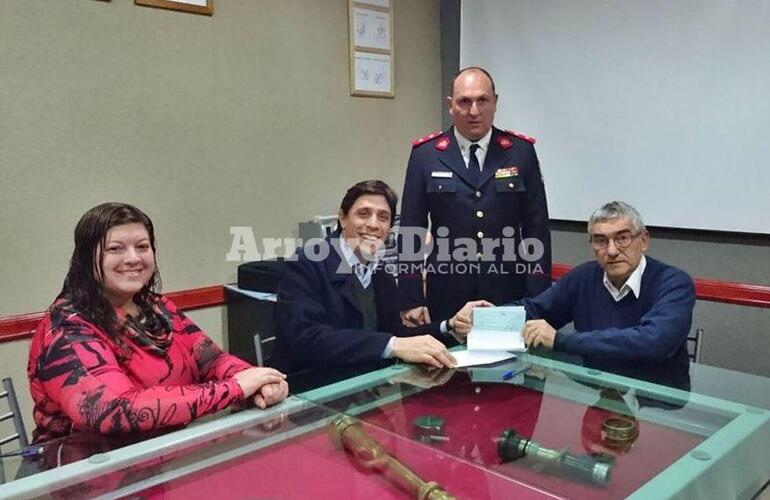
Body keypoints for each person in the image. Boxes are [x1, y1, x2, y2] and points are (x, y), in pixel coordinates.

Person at [28, 203, 288, 443]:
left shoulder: (158, 307)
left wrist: (261, 383)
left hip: (169, 451)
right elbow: (113, 410)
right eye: (115, 249)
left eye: (142, 247)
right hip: (88, 466)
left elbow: (213, 360)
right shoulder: (66, 327)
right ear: (86, 259)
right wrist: (236, 388)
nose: (133, 258)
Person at [271, 180, 490, 380]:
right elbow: (307, 339)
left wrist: (449, 326)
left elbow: (398, 335)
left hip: (367, 387)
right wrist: (393, 345)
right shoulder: (308, 263)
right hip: (313, 391)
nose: (374, 224)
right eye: (364, 214)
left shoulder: (380, 273)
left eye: (383, 217)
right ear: (342, 218)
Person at [399, 66, 551, 333]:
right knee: (445, 359)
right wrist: (411, 298)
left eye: (482, 100)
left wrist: (538, 299)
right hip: (447, 291)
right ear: (450, 105)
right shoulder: (426, 154)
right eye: (464, 101)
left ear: (495, 102)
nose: (474, 111)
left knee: (508, 359)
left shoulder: (520, 152)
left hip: (507, 289)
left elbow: (536, 230)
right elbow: (412, 229)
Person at [521, 201, 696, 371]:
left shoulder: (674, 283)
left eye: (622, 238)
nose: (612, 251)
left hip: (655, 388)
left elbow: (655, 342)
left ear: (644, 240)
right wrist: (504, 317)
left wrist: (559, 341)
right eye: (601, 241)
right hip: (593, 385)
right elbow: (533, 310)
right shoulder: (583, 277)